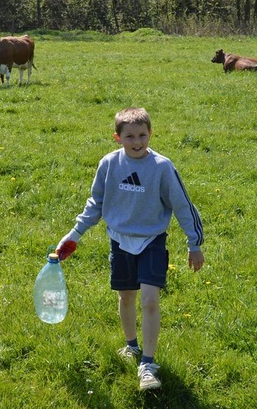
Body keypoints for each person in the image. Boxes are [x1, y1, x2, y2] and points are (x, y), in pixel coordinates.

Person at [56, 107, 205, 391]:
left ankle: (147, 364)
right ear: (117, 138)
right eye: (130, 136)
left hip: (151, 241)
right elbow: (95, 204)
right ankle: (131, 347)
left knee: (149, 300)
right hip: (120, 240)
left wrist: (193, 244)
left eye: (142, 135)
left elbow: (183, 205)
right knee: (126, 297)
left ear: (150, 134)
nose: (137, 142)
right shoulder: (109, 164)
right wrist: (74, 234)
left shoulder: (162, 167)